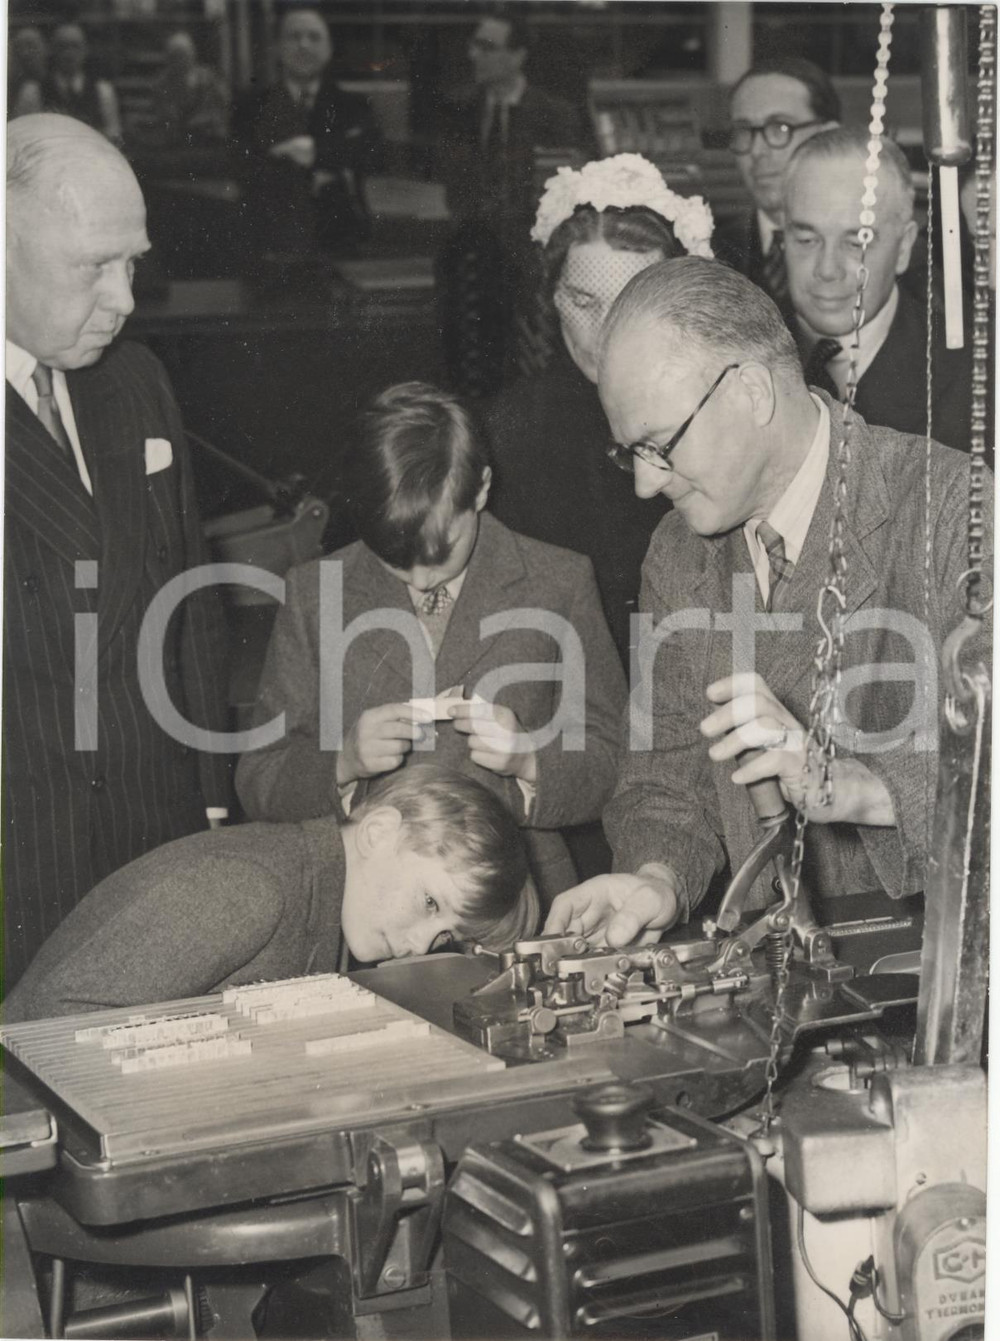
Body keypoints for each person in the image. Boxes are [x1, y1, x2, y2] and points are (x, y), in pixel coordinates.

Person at [543, 257, 992, 948]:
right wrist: (656, 878)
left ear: (751, 390)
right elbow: (668, 781)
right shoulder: (676, 552)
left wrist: (862, 785)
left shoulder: (956, 512)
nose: (641, 482)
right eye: (629, 452)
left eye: (658, 446)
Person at [236, 381, 626, 905]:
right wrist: (341, 763)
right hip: (361, 909)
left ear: (481, 488)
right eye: (393, 557)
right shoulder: (313, 594)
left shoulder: (560, 584)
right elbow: (258, 775)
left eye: (441, 551)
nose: (420, 581)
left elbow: (618, 762)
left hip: (519, 902)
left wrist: (531, 760)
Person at [4, 114, 232, 988]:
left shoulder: (134, 382)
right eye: (93, 266)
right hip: (22, 860)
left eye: (131, 260)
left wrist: (212, 793)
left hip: (154, 844)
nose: (125, 297)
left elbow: (194, 602)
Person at [4, 766, 536, 1023]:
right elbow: (50, 1023)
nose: (422, 946)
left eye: (444, 934)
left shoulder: (321, 894)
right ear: (377, 833)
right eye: (429, 904)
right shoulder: (252, 890)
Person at [486, 152, 714, 666]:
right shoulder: (511, 428)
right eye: (584, 303)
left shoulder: (718, 415)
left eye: (631, 299)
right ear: (551, 296)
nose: (607, 332)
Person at [783, 127, 972, 452]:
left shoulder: (970, 379)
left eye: (857, 243)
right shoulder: (735, 358)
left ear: (904, 248)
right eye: (807, 240)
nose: (827, 269)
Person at [437, 8, 590, 396]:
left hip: (531, 264)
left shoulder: (556, 115)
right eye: (474, 45)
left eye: (488, 47)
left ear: (517, 56)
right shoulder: (459, 111)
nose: (475, 55)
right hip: (474, 266)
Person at [232, 6, 382, 262]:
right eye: (294, 36)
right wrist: (328, 165)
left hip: (339, 245)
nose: (303, 45)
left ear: (329, 48)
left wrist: (310, 154)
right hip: (269, 248)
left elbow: (369, 155)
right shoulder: (251, 106)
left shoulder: (353, 106)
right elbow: (242, 166)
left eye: (314, 37)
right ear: (277, 48)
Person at [714, 57, 840, 313]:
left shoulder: (875, 251)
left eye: (780, 128)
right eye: (744, 131)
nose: (758, 151)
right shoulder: (712, 253)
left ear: (829, 137)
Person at [14, 23, 123, 145]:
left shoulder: (103, 91)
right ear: (52, 50)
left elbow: (114, 135)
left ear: (85, 50)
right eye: (62, 47)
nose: (69, 54)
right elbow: (23, 135)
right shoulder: (33, 91)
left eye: (75, 46)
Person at [147, 31, 229, 149]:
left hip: (208, 139)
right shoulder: (161, 84)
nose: (181, 60)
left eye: (184, 54)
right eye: (176, 55)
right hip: (176, 142)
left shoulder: (210, 79)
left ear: (193, 54)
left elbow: (222, 109)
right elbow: (164, 116)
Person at [8, 26, 48, 116]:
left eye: (31, 46)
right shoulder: (10, 87)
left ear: (44, 48)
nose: (25, 53)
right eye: (19, 47)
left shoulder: (54, 84)